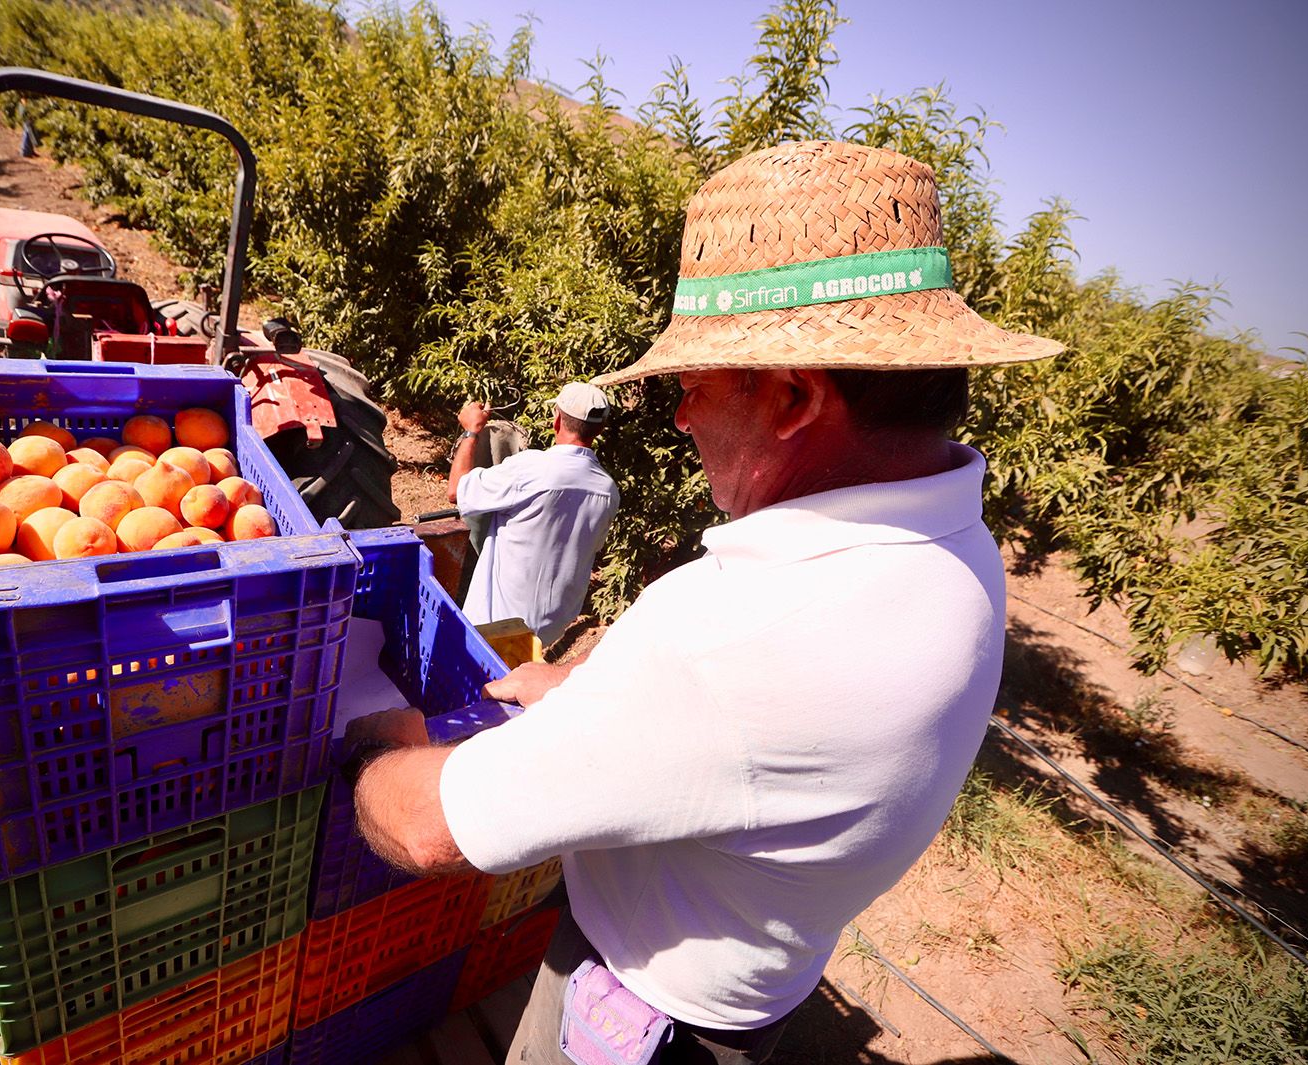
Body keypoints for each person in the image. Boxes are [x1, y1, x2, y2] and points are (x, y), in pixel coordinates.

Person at [348, 141, 1062, 1063]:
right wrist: (586, 694)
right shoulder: (955, 550)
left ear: (796, 397)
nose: (682, 419)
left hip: (637, 1020)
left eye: (692, 388)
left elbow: (430, 827)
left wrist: (380, 742)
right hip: (756, 992)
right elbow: (746, 741)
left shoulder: (733, 632)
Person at [446, 381, 620, 646]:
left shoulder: (531, 469)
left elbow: (457, 491)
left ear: (557, 420)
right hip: (550, 630)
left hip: (497, 627)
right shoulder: (607, 489)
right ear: (600, 429)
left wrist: (471, 431)